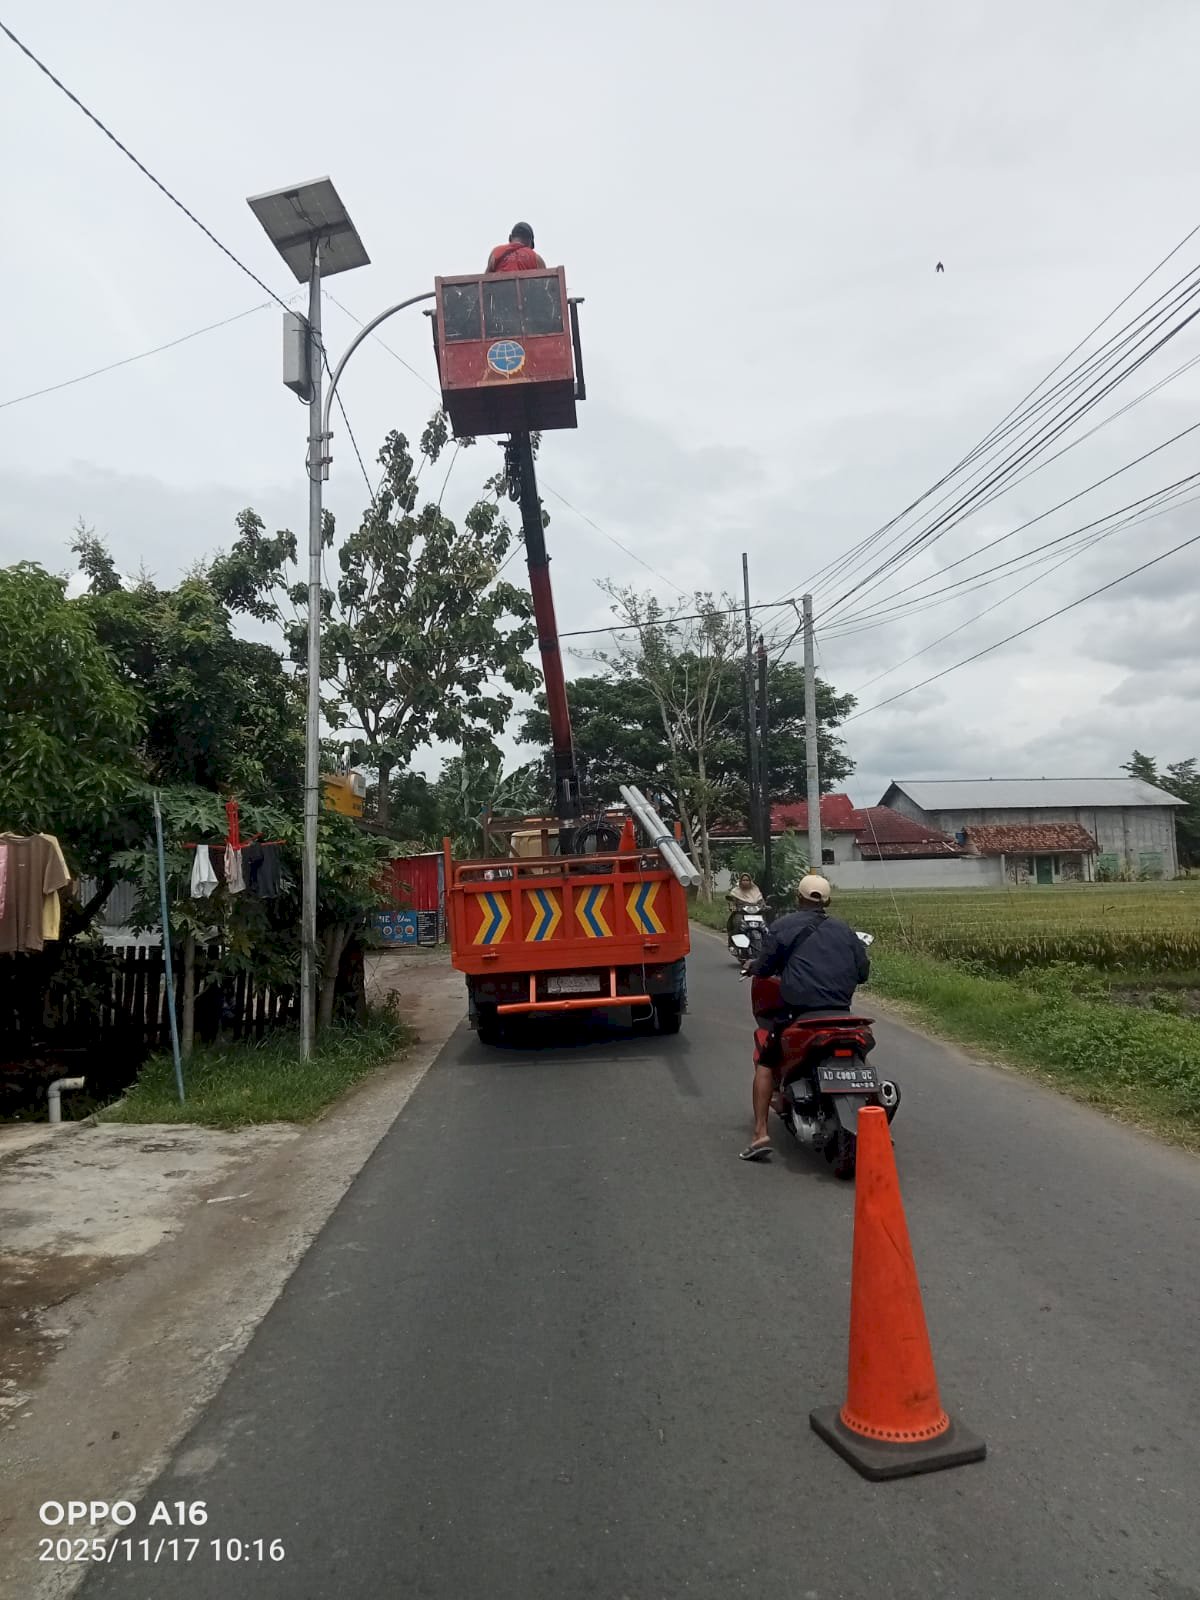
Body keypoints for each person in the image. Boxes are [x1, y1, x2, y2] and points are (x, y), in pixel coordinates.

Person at [738, 873, 870, 1162]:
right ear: (827, 902)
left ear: (798, 898)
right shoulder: (844, 930)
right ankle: (876, 1124)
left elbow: (765, 966)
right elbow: (863, 973)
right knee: (860, 1060)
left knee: (766, 1061)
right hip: (842, 1014)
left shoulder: (782, 926)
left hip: (800, 1013)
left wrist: (753, 966)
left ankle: (760, 1133)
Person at [725, 871, 764, 936]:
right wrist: (733, 907)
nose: (745, 882)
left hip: (755, 913)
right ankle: (734, 936)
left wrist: (763, 906)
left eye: (747, 880)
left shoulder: (755, 890)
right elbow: (732, 901)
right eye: (744, 880)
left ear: (750, 881)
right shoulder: (736, 891)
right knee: (737, 922)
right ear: (740, 881)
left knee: (765, 925)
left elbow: (761, 900)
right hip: (741, 912)